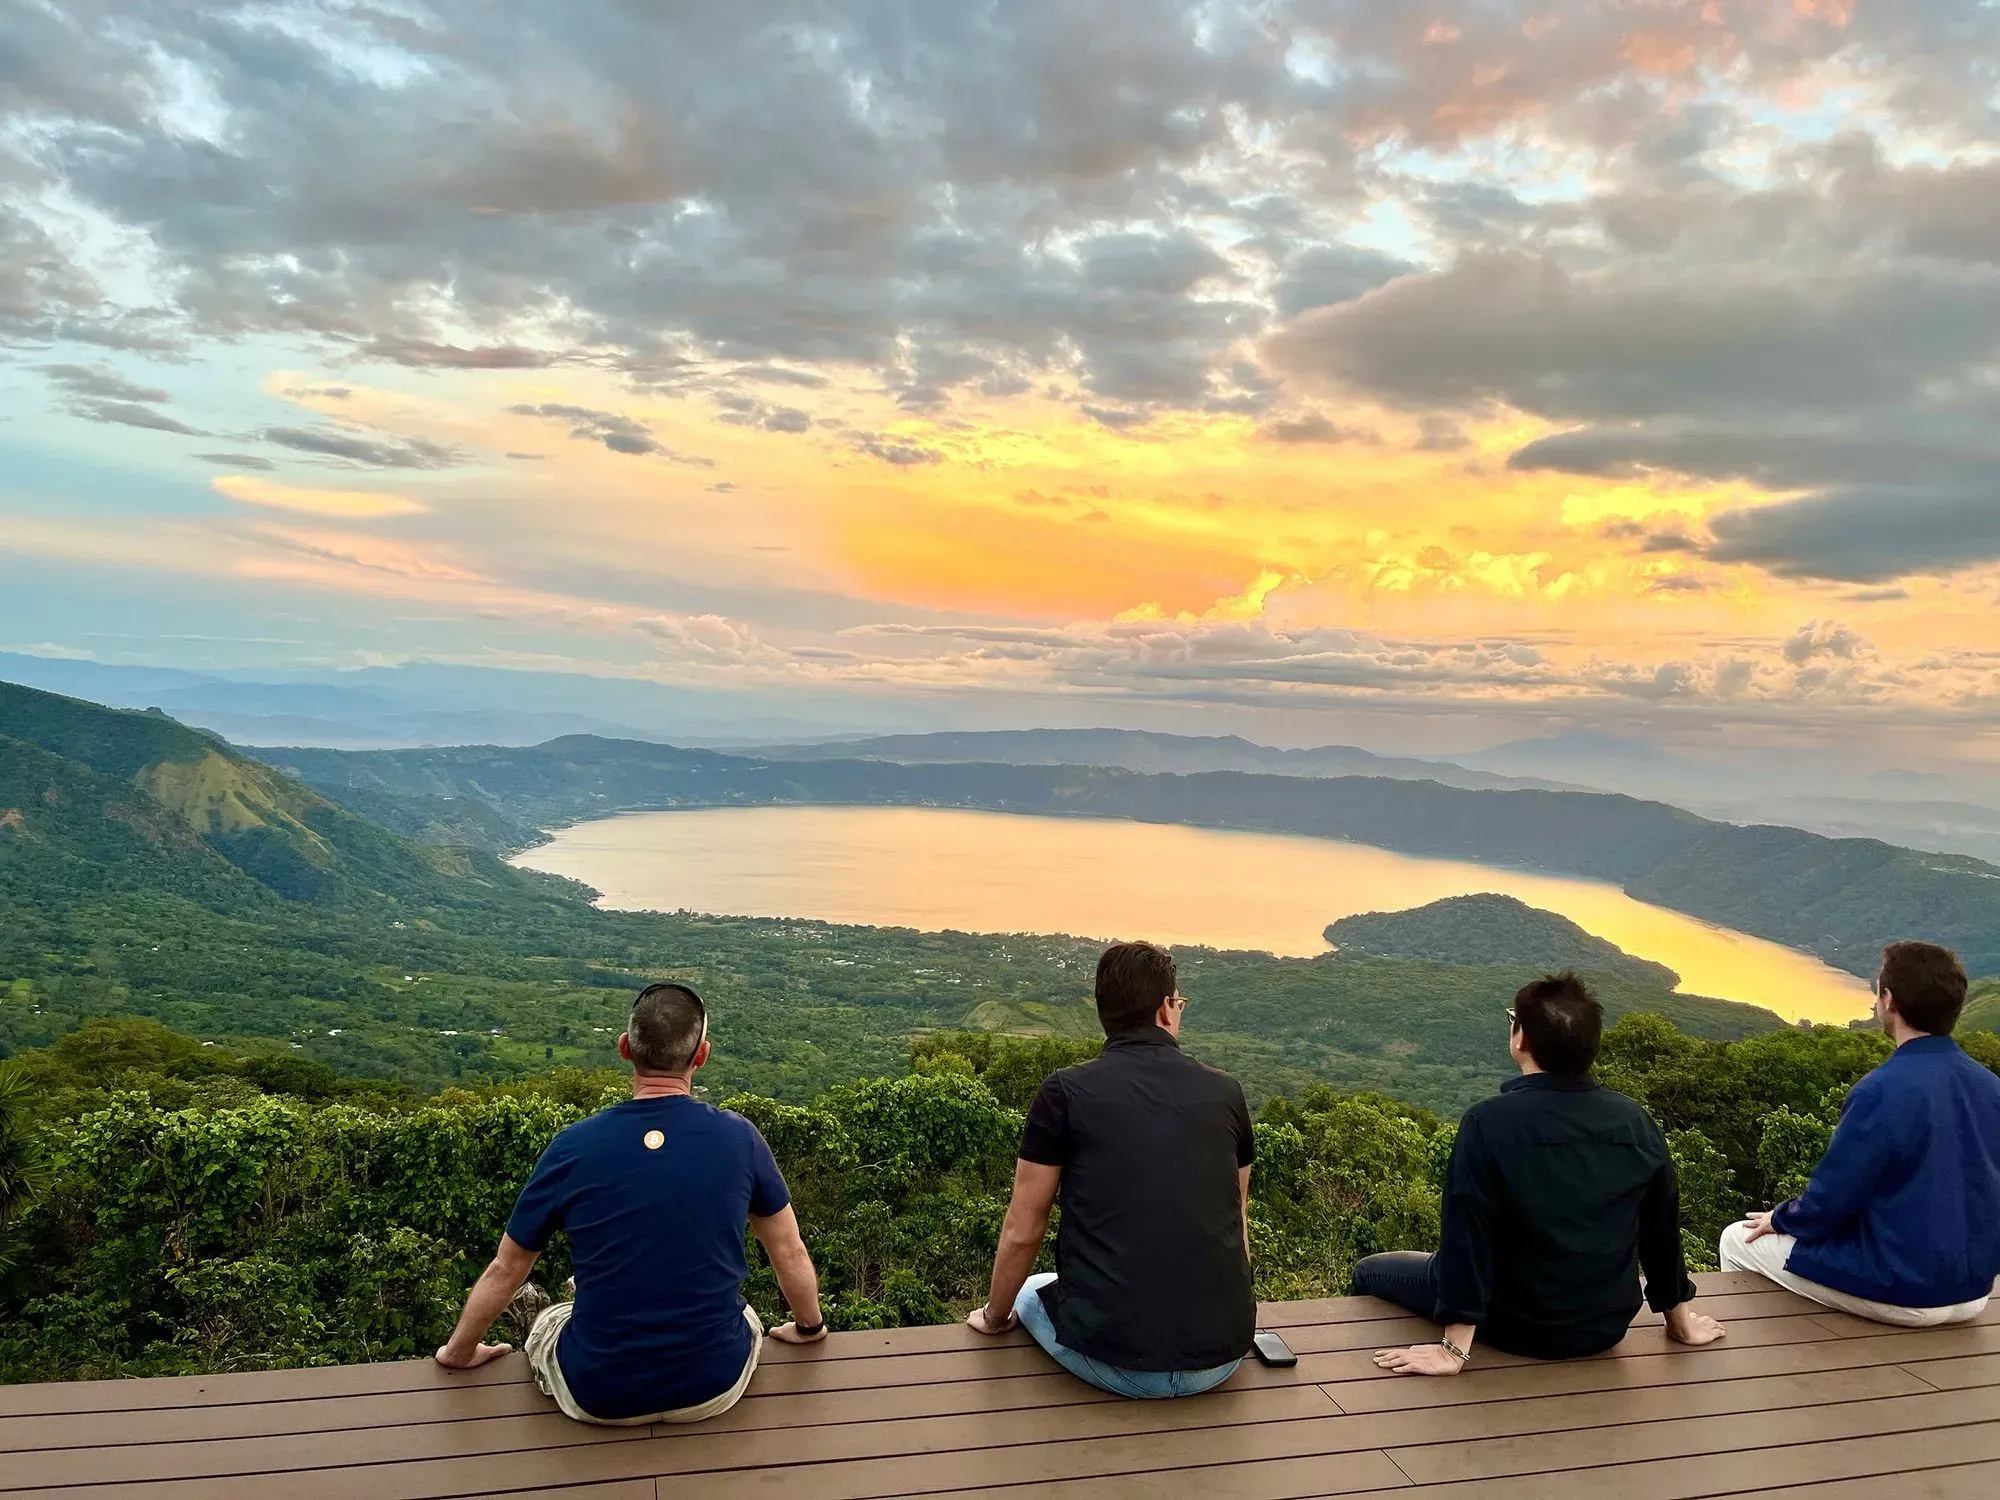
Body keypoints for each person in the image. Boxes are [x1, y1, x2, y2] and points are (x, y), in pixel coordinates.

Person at [434, 982, 827, 1424]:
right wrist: (810, 1328)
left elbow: (507, 1267)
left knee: (553, 1317)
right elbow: (788, 1250)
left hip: (597, 1394)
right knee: (744, 1313)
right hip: (713, 1386)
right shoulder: (740, 1138)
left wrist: (459, 1351)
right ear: (701, 1055)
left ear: (624, 1048)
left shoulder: (573, 1146)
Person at [1357, 972, 1727, 1376]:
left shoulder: (1488, 1122)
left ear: (1521, 1039)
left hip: (1511, 1324)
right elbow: (1661, 1231)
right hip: (1604, 1327)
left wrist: (1452, 1351)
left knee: (1370, 1270)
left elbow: (1468, 1234)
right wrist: (1681, 1324)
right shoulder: (1635, 1122)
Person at [965, 940, 1256, 1398]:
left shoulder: (1064, 1093)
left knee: (1034, 1289)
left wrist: (992, 1318)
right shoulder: (1227, 1093)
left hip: (1112, 1361)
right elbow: (1235, 1222)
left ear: (1104, 1011)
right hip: (1221, 1358)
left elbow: (1024, 1228)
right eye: (1178, 1002)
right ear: (1165, 1009)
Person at [1721, 941, 2000, 1326]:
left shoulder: (1882, 1089)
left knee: (1737, 1239)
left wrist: (1781, 1218)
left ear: (1890, 1001)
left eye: (1878, 993)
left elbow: (1830, 1200)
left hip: (1903, 1287)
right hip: (1974, 1290)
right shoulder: (1990, 1086)